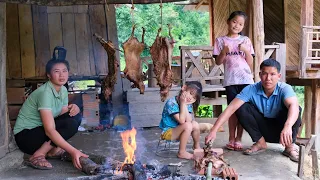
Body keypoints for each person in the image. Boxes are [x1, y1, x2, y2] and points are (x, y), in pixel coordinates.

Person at [205, 59, 301, 162]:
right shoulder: (251, 89)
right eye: (264, 74)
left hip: (283, 133)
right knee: (241, 107)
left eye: (272, 74)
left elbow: (294, 106)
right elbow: (230, 108)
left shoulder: (285, 88)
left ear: (279, 76)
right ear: (260, 75)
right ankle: (260, 142)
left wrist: (288, 126)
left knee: (296, 108)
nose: (268, 78)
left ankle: (289, 146)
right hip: (262, 131)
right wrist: (213, 130)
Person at [14, 58, 88, 170]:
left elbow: (62, 115)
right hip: (26, 137)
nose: (61, 75)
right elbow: (50, 130)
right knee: (70, 124)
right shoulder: (45, 93)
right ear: (49, 75)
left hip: (39, 131)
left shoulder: (62, 90)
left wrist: (75, 108)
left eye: (65, 71)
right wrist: (73, 151)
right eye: (57, 71)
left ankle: (51, 151)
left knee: (74, 118)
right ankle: (39, 154)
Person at [213, 11, 255, 151]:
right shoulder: (220, 41)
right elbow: (218, 62)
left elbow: (250, 63)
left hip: (246, 80)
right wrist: (224, 51)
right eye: (234, 22)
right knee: (231, 110)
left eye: (240, 24)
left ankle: (238, 139)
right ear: (228, 21)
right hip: (230, 80)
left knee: (242, 110)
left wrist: (245, 50)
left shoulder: (246, 41)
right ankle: (231, 138)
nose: (237, 25)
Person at [159, 81, 203, 160]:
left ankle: (196, 146)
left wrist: (185, 105)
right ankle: (181, 152)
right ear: (184, 88)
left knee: (195, 124)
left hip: (181, 131)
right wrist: (183, 103)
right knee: (188, 125)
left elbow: (189, 120)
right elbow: (182, 121)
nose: (190, 98)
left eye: (194, 98)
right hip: (168, 133)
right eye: (190, 93)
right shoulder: (171, 103)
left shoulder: (188, 104)